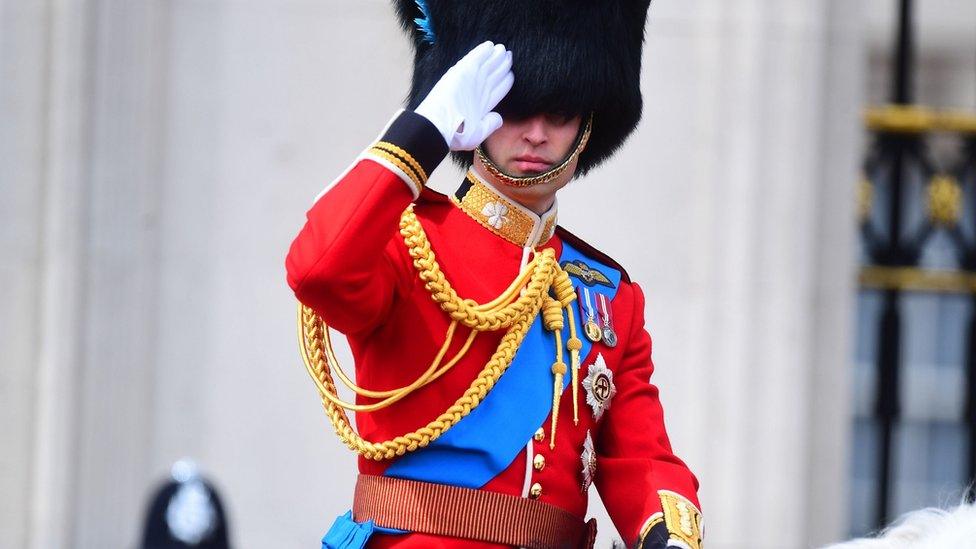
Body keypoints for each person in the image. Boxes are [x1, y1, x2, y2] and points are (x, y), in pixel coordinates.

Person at [287, 2, 702, 548]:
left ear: (588, 121)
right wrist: (424, 131)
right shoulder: (406, 243)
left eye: (559, 112)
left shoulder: (607, 295)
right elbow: (318, 270)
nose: (535, 134)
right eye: (514, 108)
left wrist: (669, 536)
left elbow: (642, 458)